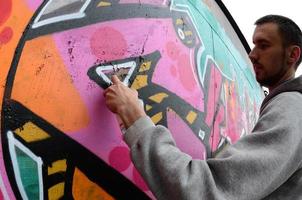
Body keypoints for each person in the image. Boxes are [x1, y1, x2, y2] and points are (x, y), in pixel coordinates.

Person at [104, 15, 302, 200]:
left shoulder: (292, 107)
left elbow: (204, 190)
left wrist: (134, 117)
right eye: (253, 46)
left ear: (293, 54)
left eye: (264, 46)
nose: (252, 55)